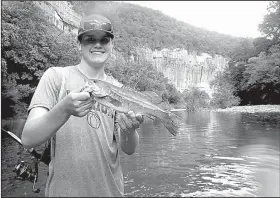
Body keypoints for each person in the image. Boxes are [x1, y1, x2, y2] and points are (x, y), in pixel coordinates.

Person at [21, 14, 143, 197]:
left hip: (111, 192)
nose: (98, 44)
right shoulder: (55, 77)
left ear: (112, 45)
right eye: (90, 39)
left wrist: (129, 129)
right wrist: (64, 109)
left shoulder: (119, 89)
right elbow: (29, 138)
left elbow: (129, 149)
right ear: (79, 44)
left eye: (104, 39)